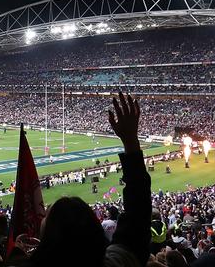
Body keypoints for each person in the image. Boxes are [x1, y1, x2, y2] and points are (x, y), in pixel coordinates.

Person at [29, 92, 152, 267]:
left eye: (47, 218)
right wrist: (131, 140)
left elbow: (138, 216)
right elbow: (138, 215)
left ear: (50, 237)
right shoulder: (118, 261)